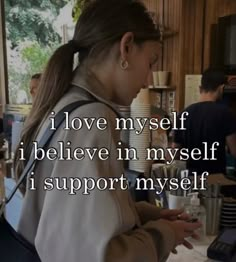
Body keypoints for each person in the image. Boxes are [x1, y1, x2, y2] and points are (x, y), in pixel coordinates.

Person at [14, 1, 201, 261]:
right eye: (150, 62)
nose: (148, 79)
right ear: (126, 47)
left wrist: (143, 214)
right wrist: (165, 233)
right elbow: (88, 255)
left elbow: (70, 217)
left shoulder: (65, 102)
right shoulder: (92, 118)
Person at [173, 68, 236, 174]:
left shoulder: (184, 113)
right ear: (221, 88)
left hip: (192, 179)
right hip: (216, 180)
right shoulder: (225, 113)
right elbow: (234, 151)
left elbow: (174, 153)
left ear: (200, 88)